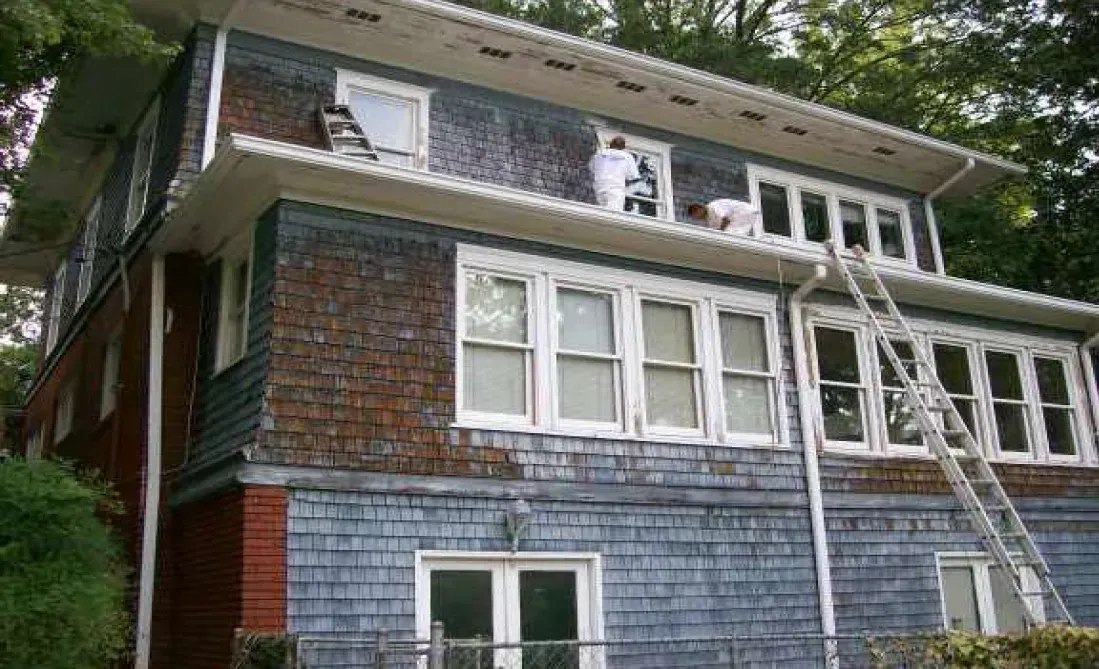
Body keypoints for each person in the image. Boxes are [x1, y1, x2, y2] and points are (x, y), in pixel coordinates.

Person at [588, 136, 640, 211]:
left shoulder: (599, 153)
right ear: (623, 147)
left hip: (599, 187)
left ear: (610, 144)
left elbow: (592, 169)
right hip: (615, 189)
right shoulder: (627, 156)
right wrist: (626, 184)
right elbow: (633, 177)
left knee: (599, 211)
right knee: (614, 214)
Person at [687, 198, 759, 234]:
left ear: (700, 208)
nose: (697, 217)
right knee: (735, 233)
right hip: (746, 217)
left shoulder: (713, 206)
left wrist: (720, 232)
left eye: (696, 214)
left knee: (731, 233)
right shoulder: (709, 221)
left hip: (745, 212)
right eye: (694, 216)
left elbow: (726, 219)